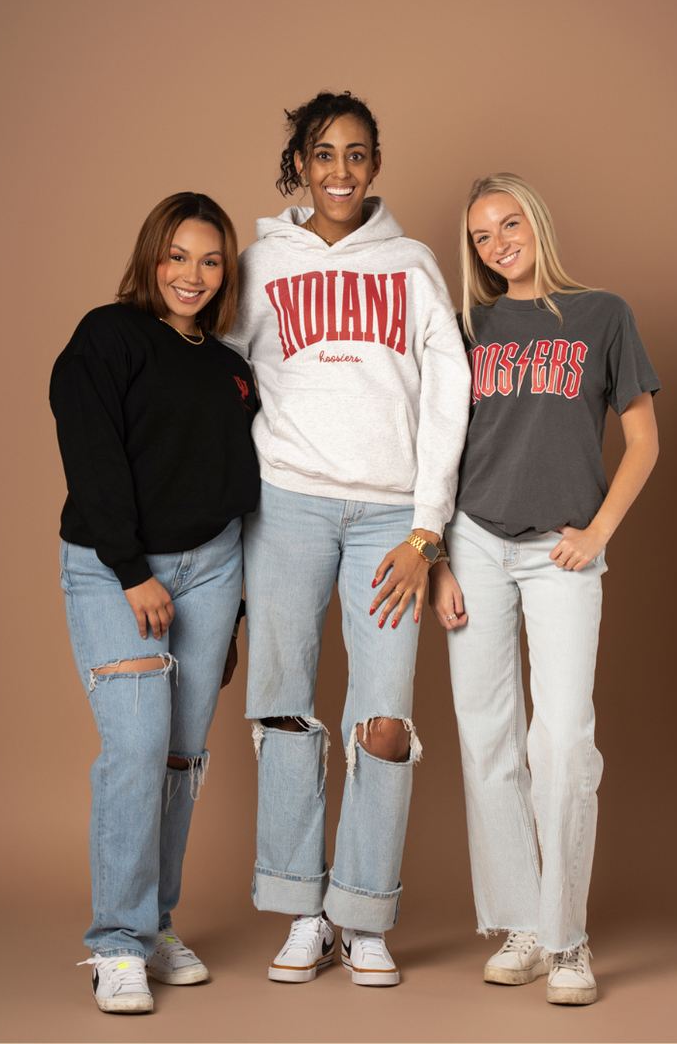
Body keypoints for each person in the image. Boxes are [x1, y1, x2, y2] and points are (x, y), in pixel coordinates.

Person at [225, 91, 470, 986]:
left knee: (385, 719)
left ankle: (363, 914)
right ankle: (301, 910)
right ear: (300, 162)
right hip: (285, 504)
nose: (340, 171)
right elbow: (217, 374)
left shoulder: (411, 265)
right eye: (323, 155)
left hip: (388, 522)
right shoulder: (261, 263)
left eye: (356, 155)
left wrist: (427, 528)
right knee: (285, 705)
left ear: (376, 163)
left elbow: (450, 397)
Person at [429, 173, 660, 1005]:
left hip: (562, 548)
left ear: (537, 221)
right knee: (488, 735)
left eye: (508, 223)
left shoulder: (603, 314)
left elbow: (643, 441)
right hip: (475, 542)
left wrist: (599, 532)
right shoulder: (465, 326)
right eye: (482, 237)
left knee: (562, 740)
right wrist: (441, 561)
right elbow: (441, 450)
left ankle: (568, 940)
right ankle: (522, 924)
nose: (497, 244)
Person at [50, 192, 260, 1013]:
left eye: (211, 261)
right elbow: (90, 451)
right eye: (178, 255)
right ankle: (116, 944)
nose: (192, 275)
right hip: (114, 567)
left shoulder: (230, 367)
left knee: (180, 756)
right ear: (151, 256)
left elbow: (232, 484)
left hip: (213, 571)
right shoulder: (108, 336)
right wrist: (134, 569)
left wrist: (235, 610)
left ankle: (156, 922)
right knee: (137, 747)